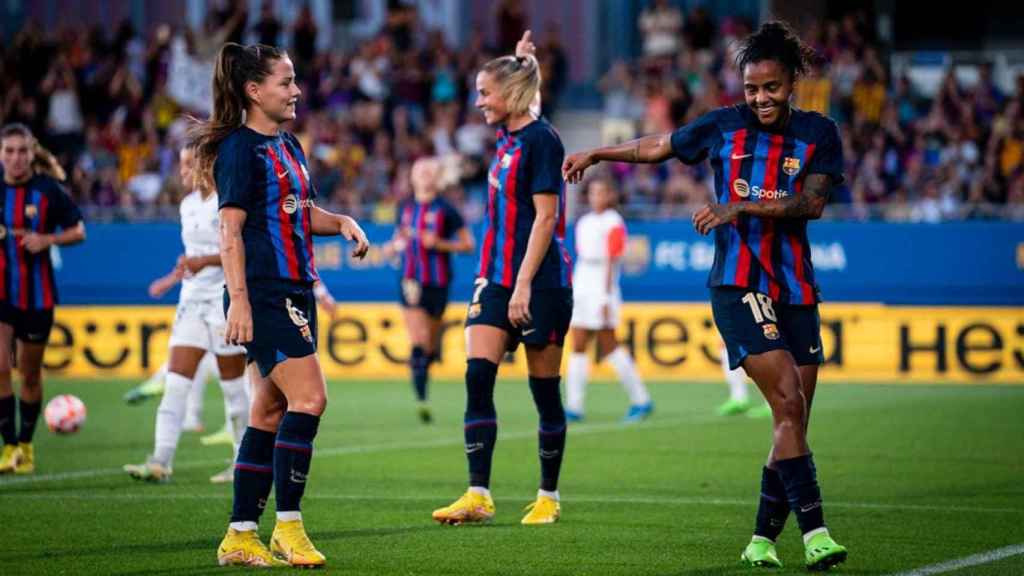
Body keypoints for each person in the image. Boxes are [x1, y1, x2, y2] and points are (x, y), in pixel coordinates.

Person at [562, 21, 848, 572]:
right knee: (787, 400)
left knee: (794, 420)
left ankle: (762, 541)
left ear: (792, 84)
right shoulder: (722, 127)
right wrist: (599, 152)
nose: (760, 98)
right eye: (751, 89)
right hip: (738, 282)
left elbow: (811, 204)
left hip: (796, 287)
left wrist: (739, 206)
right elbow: (659, 147)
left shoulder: (819, 133)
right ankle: (815, 533)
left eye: (771, 87)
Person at [190, 43, 369, 567]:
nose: (296, 90)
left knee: (268, 411)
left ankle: (240, 534)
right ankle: (288, 528)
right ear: (253, 91)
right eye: (285, 82)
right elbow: (230, 229)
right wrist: (239, 302)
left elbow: (298, 209)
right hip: (265, 291)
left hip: (297, 289)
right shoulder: (239, 151)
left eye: (294, 81)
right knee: (311, 400)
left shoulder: (288, 144)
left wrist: (340, 222)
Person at [432, 31, 573, 527]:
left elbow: (546, 218)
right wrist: (526, 60)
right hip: (493, 278)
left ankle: (548, 497)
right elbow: (528, 95)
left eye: (485, 93)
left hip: (541, 283)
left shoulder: (542, 141)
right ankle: (478, 494)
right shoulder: (509, 134)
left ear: (508, 96)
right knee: (477, 376)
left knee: (544, 392)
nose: (478, 101)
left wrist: (523, 285)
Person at [122, 145, 252, 485]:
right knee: (176, 383)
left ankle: (242, 463)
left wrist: (204, 262)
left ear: (207, 164)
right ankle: (160, 461)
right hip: (192, 302)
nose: (181, 172)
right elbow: (195, 253)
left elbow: (240, 251)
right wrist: (177, 273)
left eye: (187, 164)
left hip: (225, 301)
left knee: (234, 391)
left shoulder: (228, 202)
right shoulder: (188, 205)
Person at [0, 123, 86, 475]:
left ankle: (25, 445)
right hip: (2, 294)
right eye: (9, 151)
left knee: (30, 376)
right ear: (1, 154)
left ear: (30, 153)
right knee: (1, 368)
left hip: (37, 297)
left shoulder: (47, 190)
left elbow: (78, 231)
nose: (16, 158)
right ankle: (7, 448)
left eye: (22, 151)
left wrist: (47, 240)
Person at [384, 157, 474, 424]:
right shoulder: (405, 207)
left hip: (439, 282)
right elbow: (399, 236)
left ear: (437, 178)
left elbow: (468, 244)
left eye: (428, 171)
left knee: (430, 348)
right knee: (420, 342)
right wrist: (392, 246)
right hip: (411, 280)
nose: (423, 174)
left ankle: (423, 375)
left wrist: (440, 244)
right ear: (412, 177)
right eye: (419, 170)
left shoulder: (447, 209)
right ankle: (421, 400)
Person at [564, 177, 652, 423]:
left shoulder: (614, 222)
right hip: (583, 282)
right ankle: (573, 406)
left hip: (602, 285)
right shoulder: (585, 221)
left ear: (611, 195)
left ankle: (641, 399)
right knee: (578, 343)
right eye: (593, 192)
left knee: (608, 344)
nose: (596, 197)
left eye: (602, 192)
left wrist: (604, 297)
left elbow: (612, 262)